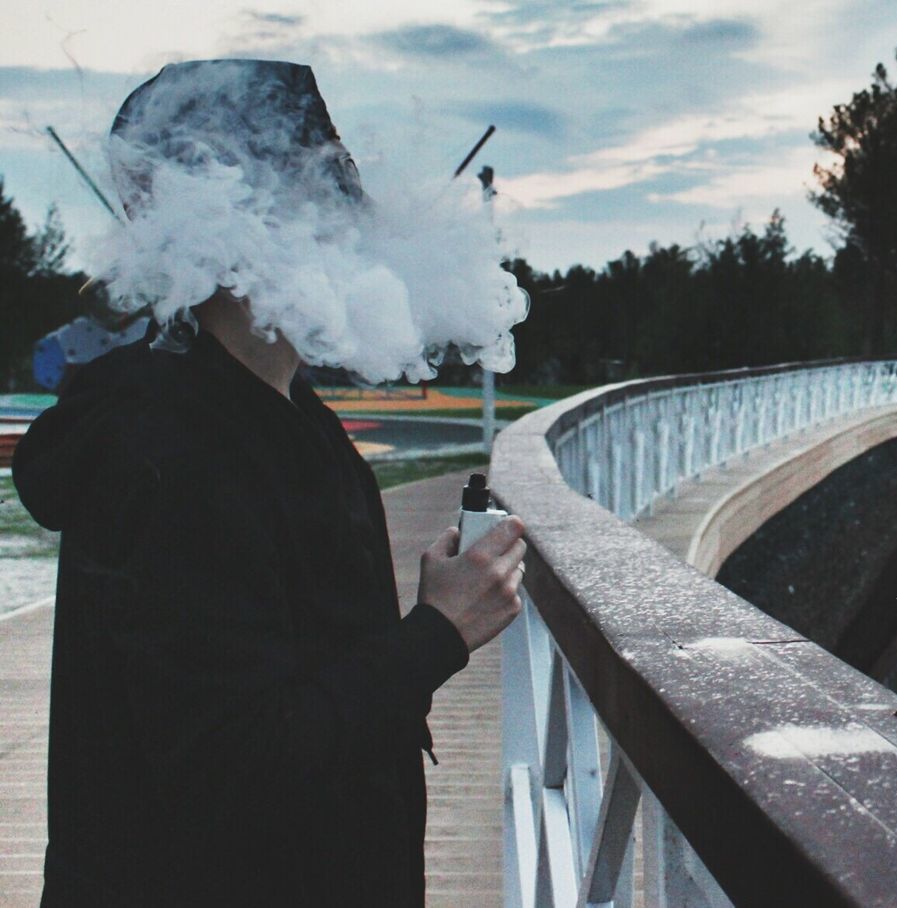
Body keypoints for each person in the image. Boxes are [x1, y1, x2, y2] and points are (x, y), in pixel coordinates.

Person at [13, 60, 526, 907]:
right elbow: (238, 759)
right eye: (323, 198)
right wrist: (438, 632)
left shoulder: (283, 410)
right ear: (259, 219)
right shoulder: (173, 445)